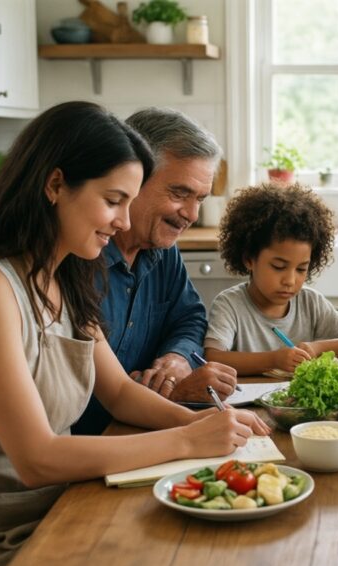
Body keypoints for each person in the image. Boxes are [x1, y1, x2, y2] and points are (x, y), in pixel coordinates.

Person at [0, 101, 269, 566]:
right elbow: (37, 458)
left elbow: (120, 393)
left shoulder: (68, 277)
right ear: (56, 185)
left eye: (128, 201)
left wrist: (203, 427)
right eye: (112, 200)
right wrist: (188, 442)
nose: (123, 221)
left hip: (57, 507)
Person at [74, 107, 234, 435]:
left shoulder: (163, 251)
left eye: (201, 199)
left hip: (140, 429)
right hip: (92, 441)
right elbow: (80, 394)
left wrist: (177, 358)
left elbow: (189, 319)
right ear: (133, 178)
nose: (191, 214)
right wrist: (172, 392)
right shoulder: (75, 261)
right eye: (179, 193)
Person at [204, 183, 338, 375]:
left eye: (301, 269)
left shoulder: (311, 303)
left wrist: (316, 348)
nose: (290, 280)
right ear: (249, 259)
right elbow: (213, 357)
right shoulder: (230, 305)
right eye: (279, 267)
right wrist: (273, 359)